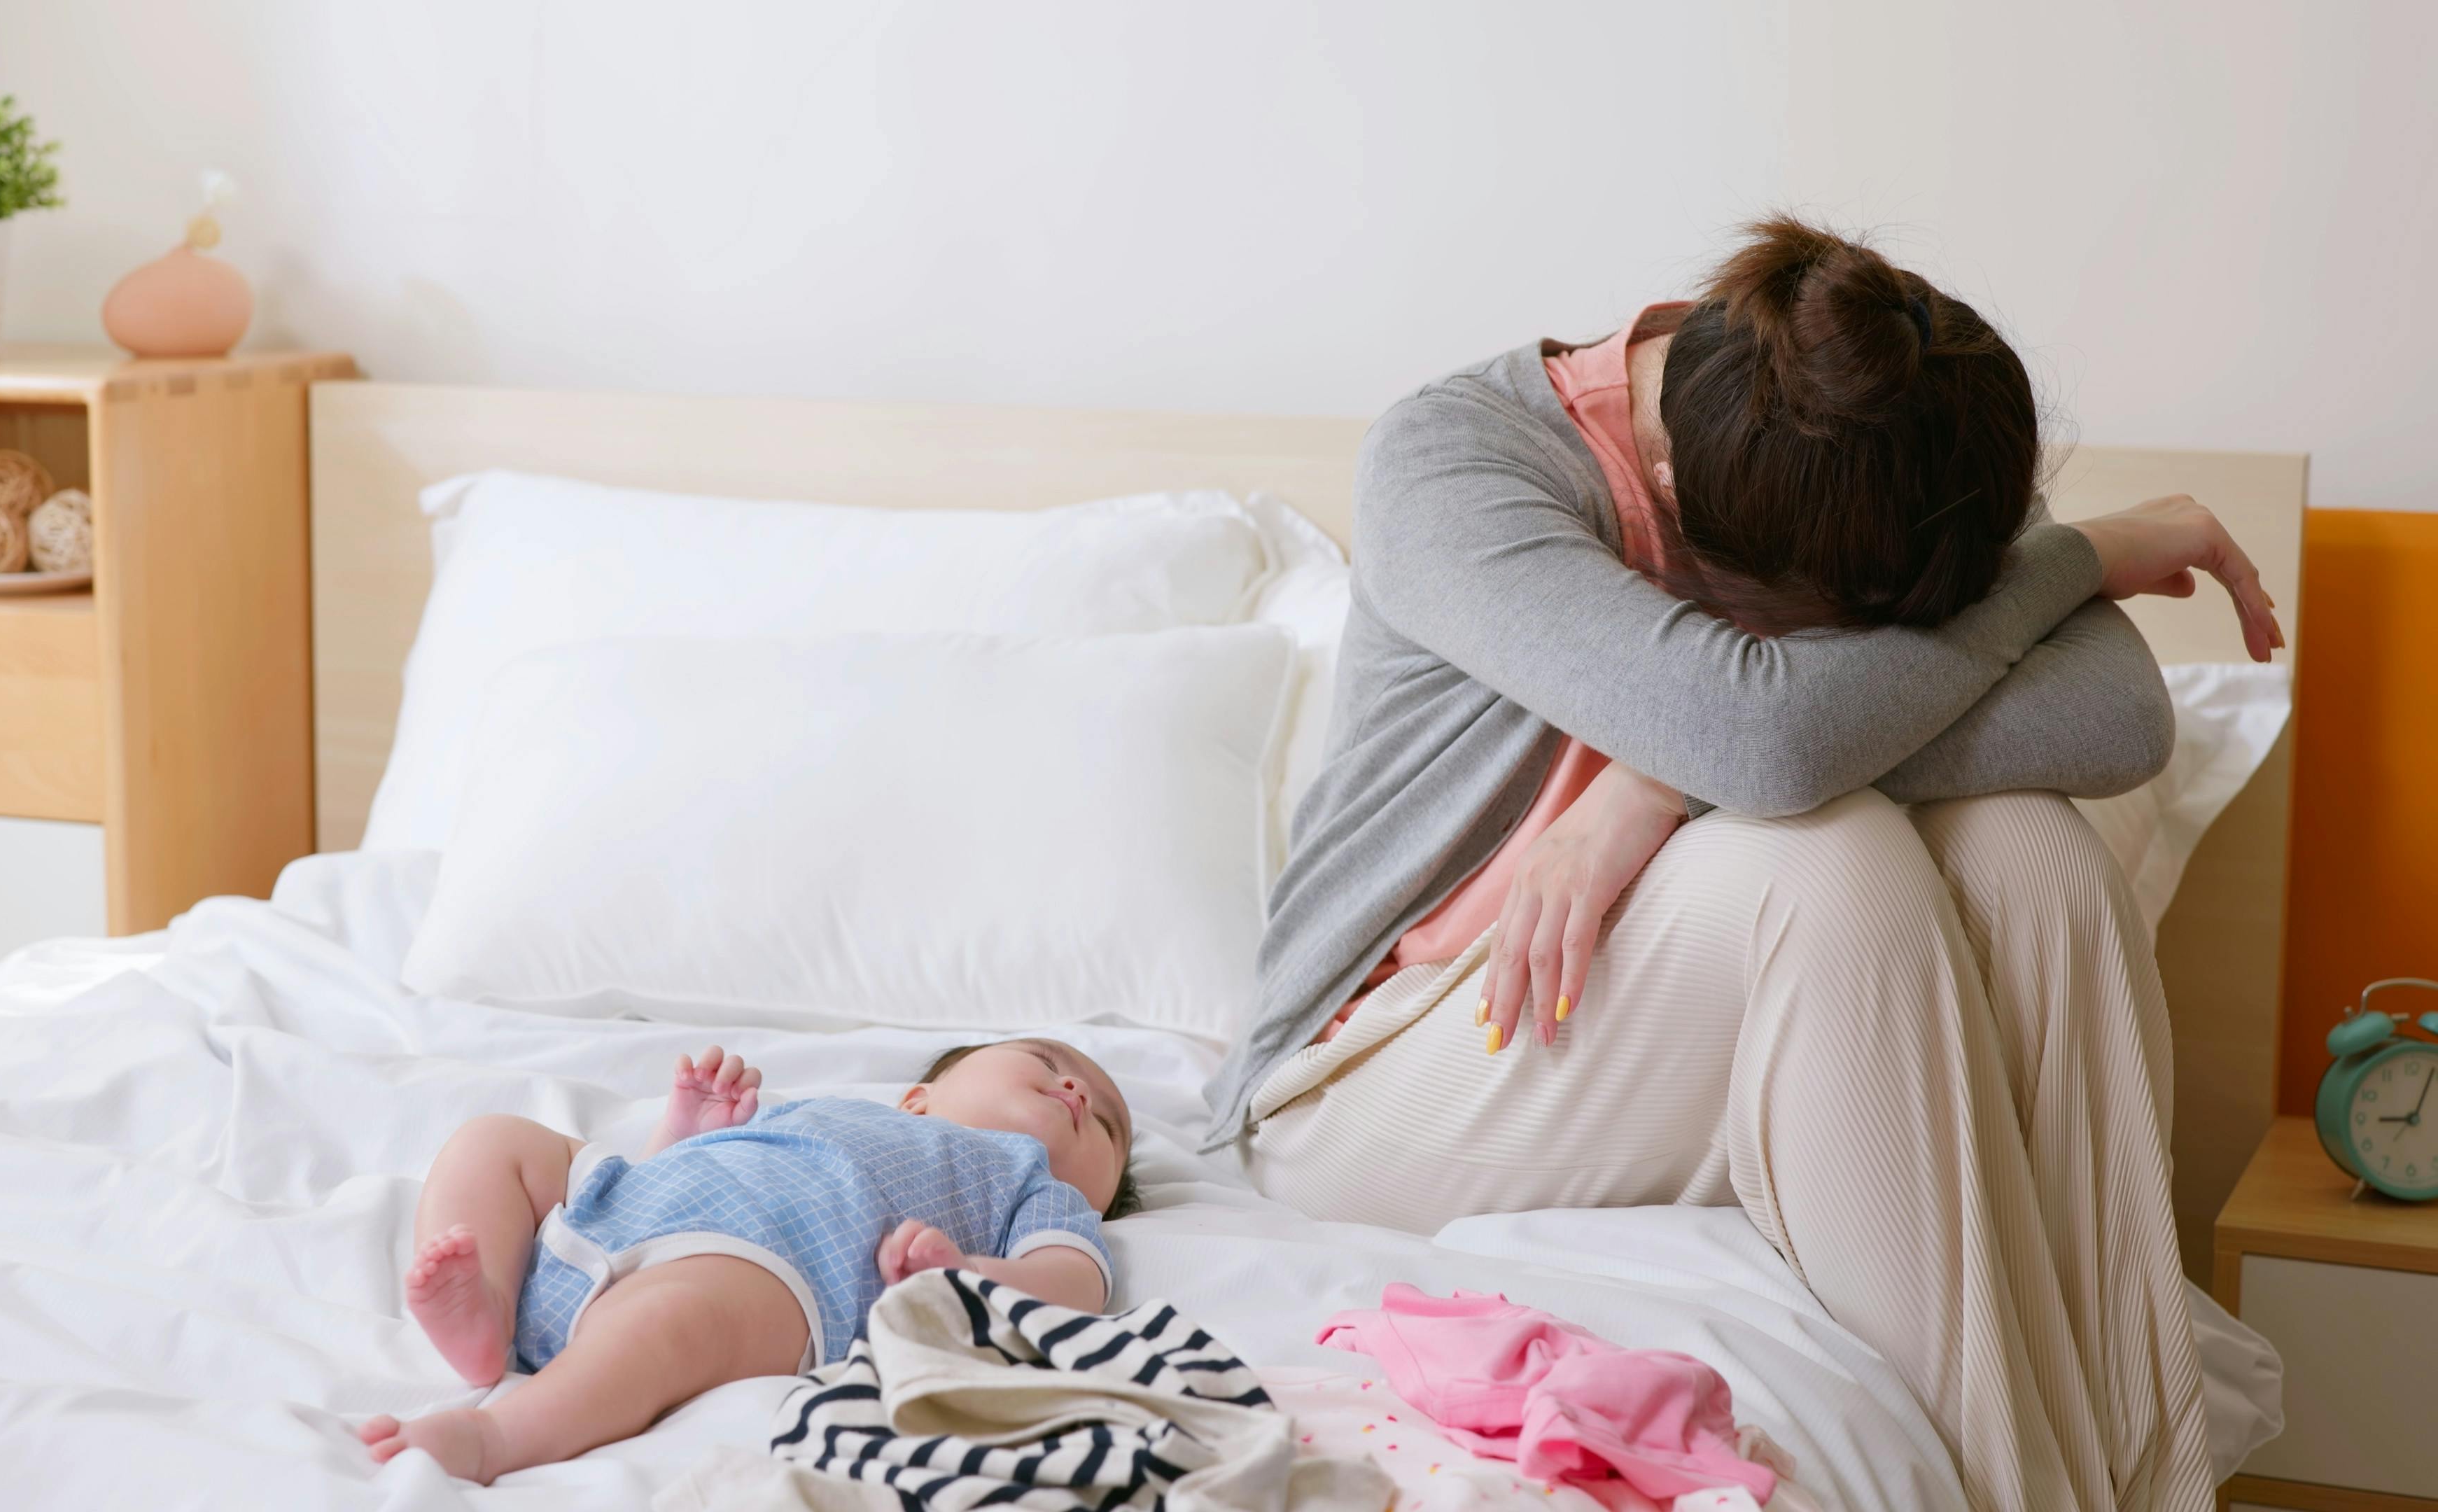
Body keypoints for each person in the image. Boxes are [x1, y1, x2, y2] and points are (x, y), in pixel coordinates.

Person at [1201, 218, 2281, 1512]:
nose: (1857, 664)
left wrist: (1651, 793)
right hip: (1391, 1057)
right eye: (1820, 639)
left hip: (1628, 1012)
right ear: (1673, 493)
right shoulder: (1458, 463)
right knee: (1828, 860)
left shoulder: (1879, 426)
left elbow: (2113, 719)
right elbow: (1767, 740)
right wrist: (2086, 556)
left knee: (2031, 851)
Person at [359, 1040, 1135, 1483]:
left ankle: (497, 1437)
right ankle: (488, 1302)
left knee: (671, 1321)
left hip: (771, 1271)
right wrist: (686, 1132)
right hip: (631, 1205)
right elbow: (685, 1179)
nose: (1076, 1088)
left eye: (1105, 1122)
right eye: (1045, 1060)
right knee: (496, 1141)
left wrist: (967, 1276)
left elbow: (1072, 1284)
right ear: (919, 1097)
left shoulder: (1032, 1183)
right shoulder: (831, 1109)